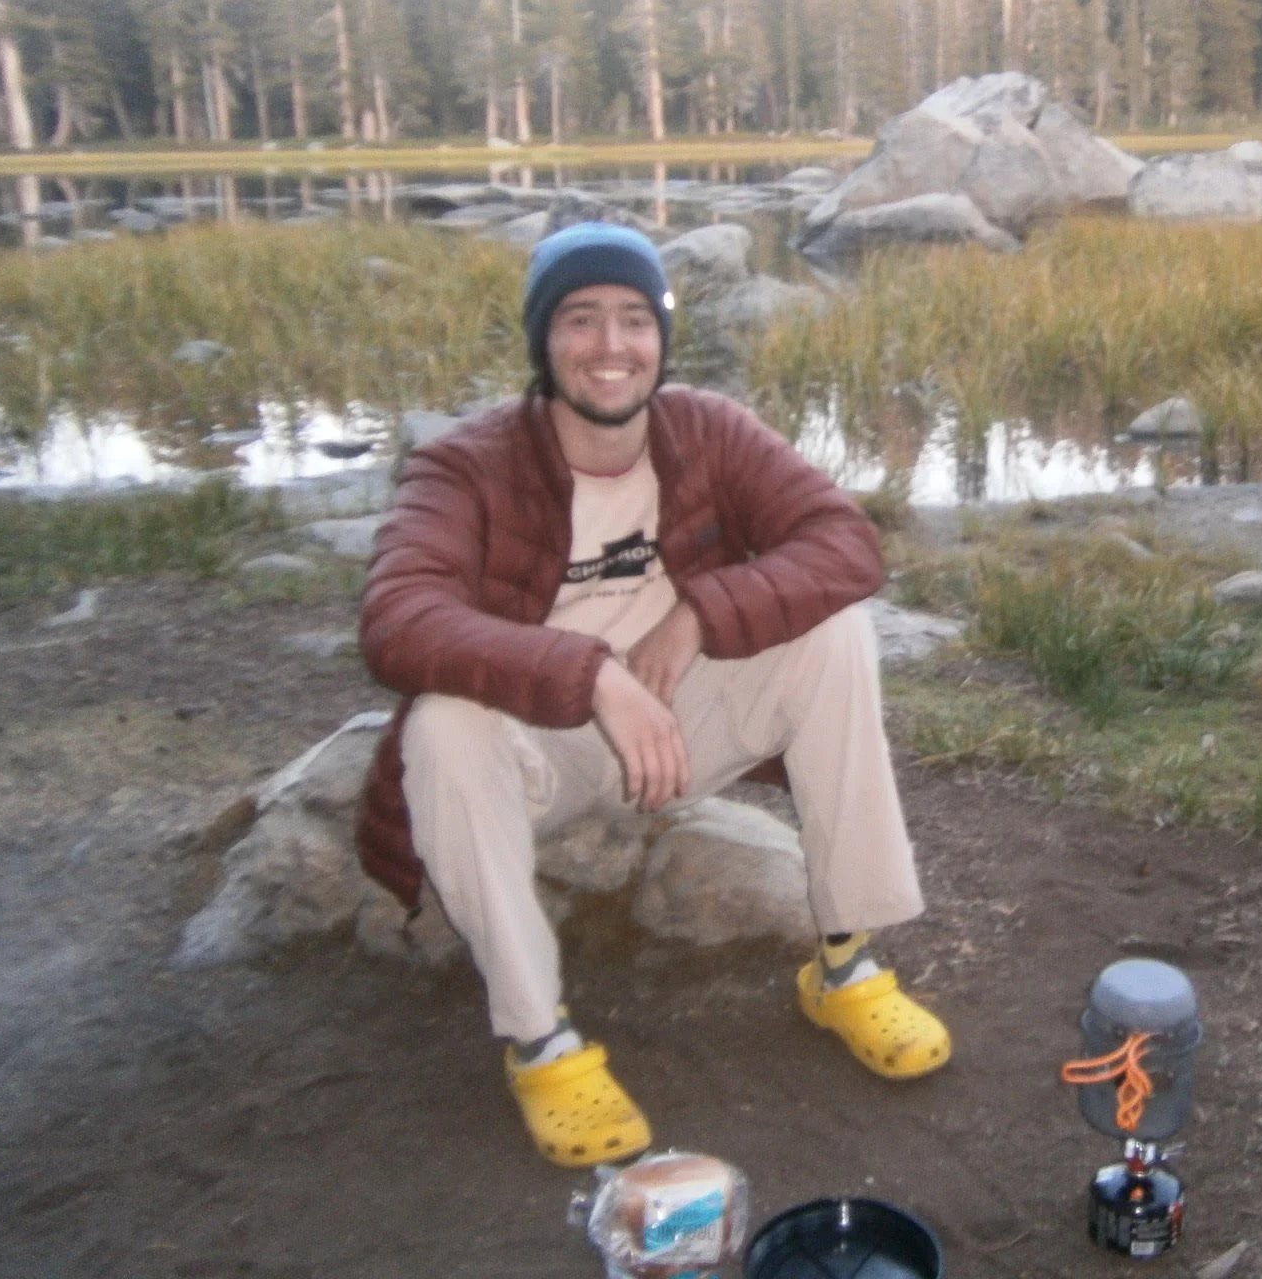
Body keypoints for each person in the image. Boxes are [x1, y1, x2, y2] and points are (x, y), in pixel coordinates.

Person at [353, 222, 950, 1167]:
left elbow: (844, 543)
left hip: (679, 726)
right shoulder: (466, 465)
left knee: (835, 631)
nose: (611, 345)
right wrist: (589, 673)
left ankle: (846, 964)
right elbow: (397, 619)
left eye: (635, 319)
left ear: (662, 338)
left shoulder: (708, 429)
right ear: (543, 340)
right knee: (442, 725)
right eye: (581, 319)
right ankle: (541, 1043)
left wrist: (699, 616)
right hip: (539, 752)